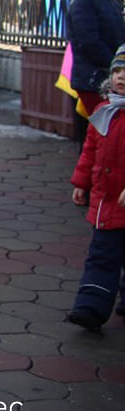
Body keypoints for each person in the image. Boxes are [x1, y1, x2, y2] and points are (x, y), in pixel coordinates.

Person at [68, 43, 125, 333]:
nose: (121, 77)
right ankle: (90, 307)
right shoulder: (104, 111)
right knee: (102, 256)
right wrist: (81, 183)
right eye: (117, 70)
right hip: (105, 204)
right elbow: (89, 151)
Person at [66, 0, 125, 117]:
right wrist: (117, 66)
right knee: (100, 131)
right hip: (93, 81)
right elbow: (90, 42)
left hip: (105, 78)